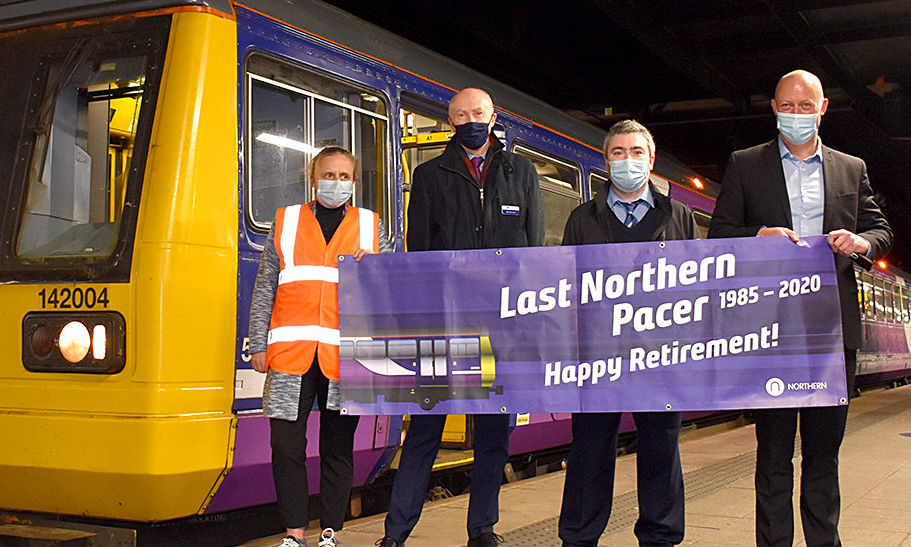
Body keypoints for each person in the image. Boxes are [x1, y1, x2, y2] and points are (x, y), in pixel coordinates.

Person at [709, 69, 892, 547]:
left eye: (805, 106)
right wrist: (756, 237)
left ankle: (823, 541)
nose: (795, 115)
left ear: (823, 108)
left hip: (831, 334)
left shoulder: (851, 168)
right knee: (771, 457)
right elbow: (719, 236)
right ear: (773, 108)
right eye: (786, 106)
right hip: (770, 335)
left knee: (823, 456)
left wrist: (860, 242)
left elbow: (881, 232)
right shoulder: (745, 165)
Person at [378, 87, 544, 547]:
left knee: (493, 434)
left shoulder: (521, 173)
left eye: (478, 112)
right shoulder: (431, 175)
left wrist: (525, 321)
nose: (470, 120)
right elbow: (418, 255)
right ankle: (395, 534)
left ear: (493, 117)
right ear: (450, 121)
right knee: (424, 432)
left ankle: (482, 530)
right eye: (460, 114)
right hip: (442, 325)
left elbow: (533, 254)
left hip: (502, 327)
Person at [557, 120, 692, 547]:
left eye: (636, 152)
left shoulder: (677, 215)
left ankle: (661, 537)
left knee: (661, 450)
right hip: (598, 357)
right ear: (606, 161)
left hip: (661, 355)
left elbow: (696, 284)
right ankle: (579, 537)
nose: (627, 161)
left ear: (651, 161)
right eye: (618, 153)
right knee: (590, 452)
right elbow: (565, 285)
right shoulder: (583, 218)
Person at [249, 146, 390, 547]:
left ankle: (330, 532)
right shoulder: (286, 220)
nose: (337, 183)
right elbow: (265, 289)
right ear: (314, 177)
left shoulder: (371, 227)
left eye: (345, 177)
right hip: (290, 354)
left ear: (354, 183)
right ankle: (294, 534)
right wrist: (258, 344)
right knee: (285, 445)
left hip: (346, 356)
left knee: (337, 446)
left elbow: (389, 292)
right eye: (330, 175)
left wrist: (374, 270)